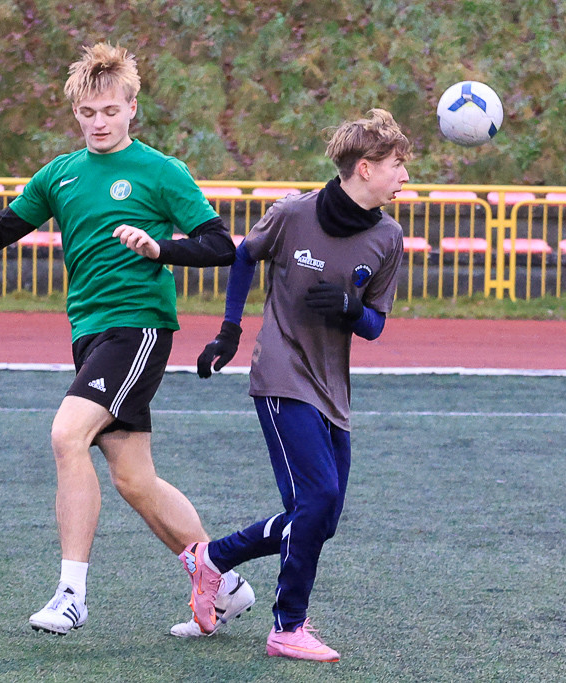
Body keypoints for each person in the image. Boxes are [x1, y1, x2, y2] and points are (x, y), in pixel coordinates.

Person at [0, 42, 253, 636]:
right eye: (88, 113)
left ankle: (72, 594)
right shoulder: (60, 174)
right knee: (135, 479)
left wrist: (161, 249)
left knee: (65, 434)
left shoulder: (162, 173)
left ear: (132, 108)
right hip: (90, 333)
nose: (99, 122)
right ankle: (225, 582)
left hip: (138, 328)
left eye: (110, 110)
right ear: (76, 114)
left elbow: (219, 244)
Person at [174, 109, 411, 661]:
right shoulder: (294, 214)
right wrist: (230, 331)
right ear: (365, 167)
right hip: (281, 374)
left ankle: (209, 560)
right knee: (319, 498)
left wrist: (353, 309)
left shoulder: (389, 237)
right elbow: (243, 255)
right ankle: (287, 627)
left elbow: (375, 326)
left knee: (317, 519)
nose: (405, 177)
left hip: (332, 388)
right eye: (398, 166)